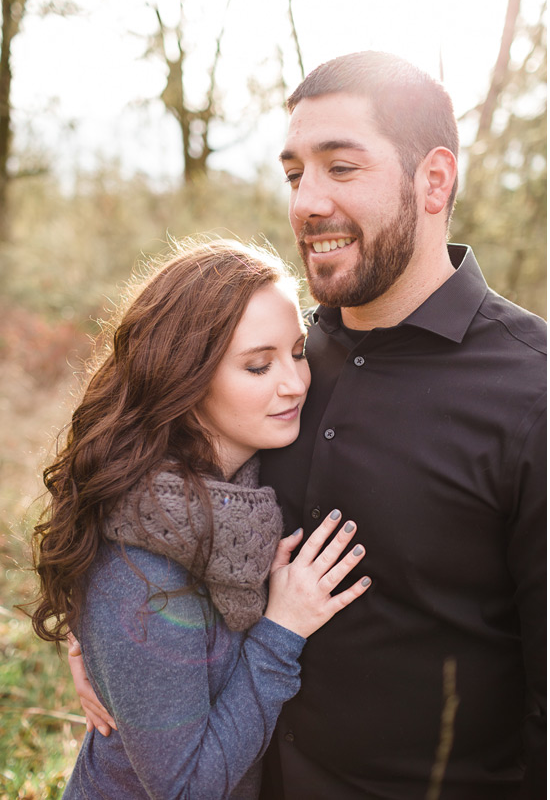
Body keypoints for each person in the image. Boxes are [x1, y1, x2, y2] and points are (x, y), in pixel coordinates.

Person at [69, 51, 546, 800]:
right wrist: (95, 628)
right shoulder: (273, 364)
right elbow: (141, 485)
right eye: (295, 174)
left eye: (341, 168)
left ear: (434, 179)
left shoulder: (528, 385)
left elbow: (544, 700)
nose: (305, 202)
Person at [30, 239, 372, 799]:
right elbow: (186, 789)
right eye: (259, 366)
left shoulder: (240, 488)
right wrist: (281, 631)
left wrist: (88, 636)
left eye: (299, 351)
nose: (294, 383)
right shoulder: (144, 574)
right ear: (183, 377)